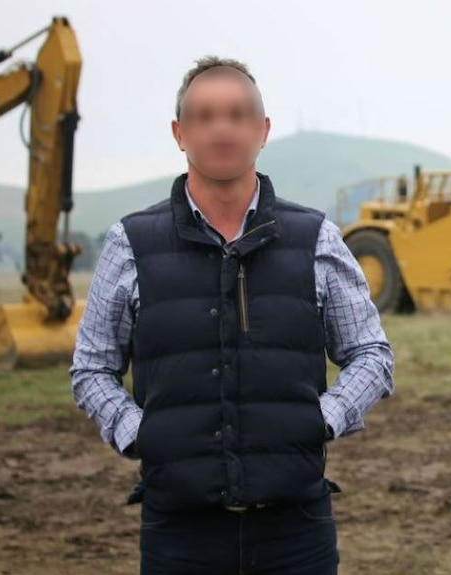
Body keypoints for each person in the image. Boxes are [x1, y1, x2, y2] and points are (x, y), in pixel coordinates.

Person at [70, 56, 395, 574]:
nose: (222, 128)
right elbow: (91, 367)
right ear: (180, 133)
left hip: (296, 532)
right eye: (204, 115)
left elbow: (372, 354)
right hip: (179, 534)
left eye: (237, 114)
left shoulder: (315, 238)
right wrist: (136, 432)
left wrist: (324, 419)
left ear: (262, 131)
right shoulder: (130, 243)